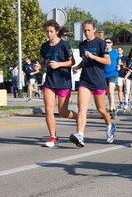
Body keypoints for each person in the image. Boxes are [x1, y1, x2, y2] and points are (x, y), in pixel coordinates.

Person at [70, 19, 116, 147]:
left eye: (89, 30)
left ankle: (110, 126)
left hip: (98, 80)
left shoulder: (100, 43)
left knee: (101, 109)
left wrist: (93, 56)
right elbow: (85, 60)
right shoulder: (82, 45)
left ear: (94, 29)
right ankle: (80, 134)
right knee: (82, 108)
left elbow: (107, 61)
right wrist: (77, 67)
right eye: (85, 30)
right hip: (85, 79)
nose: (87, 33)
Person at [39, 19, 79, 147]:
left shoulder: (64, 45)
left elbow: (71, 62)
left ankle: (79, 117)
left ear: (56, 31)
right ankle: (53, 137)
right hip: (50, 82)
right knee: (48, 110)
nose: (49, 34)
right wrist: (39, 66)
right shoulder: (45, 47)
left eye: (51, 31)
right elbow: (43, 61)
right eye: (47, 32)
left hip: (63, 81)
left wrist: (59, 64)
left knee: (63, 112)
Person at [104, 38, 121, 118]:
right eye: (106, 42)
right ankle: (114, 108)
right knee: (108, 93)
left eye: (108, 42)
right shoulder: (102, 52)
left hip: (113, 73)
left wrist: (119, 66)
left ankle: (111, 110)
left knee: (111, 91)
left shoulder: (115, 52)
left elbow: (119, 62)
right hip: (104, 74)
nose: (107, 43)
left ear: (112, 43)